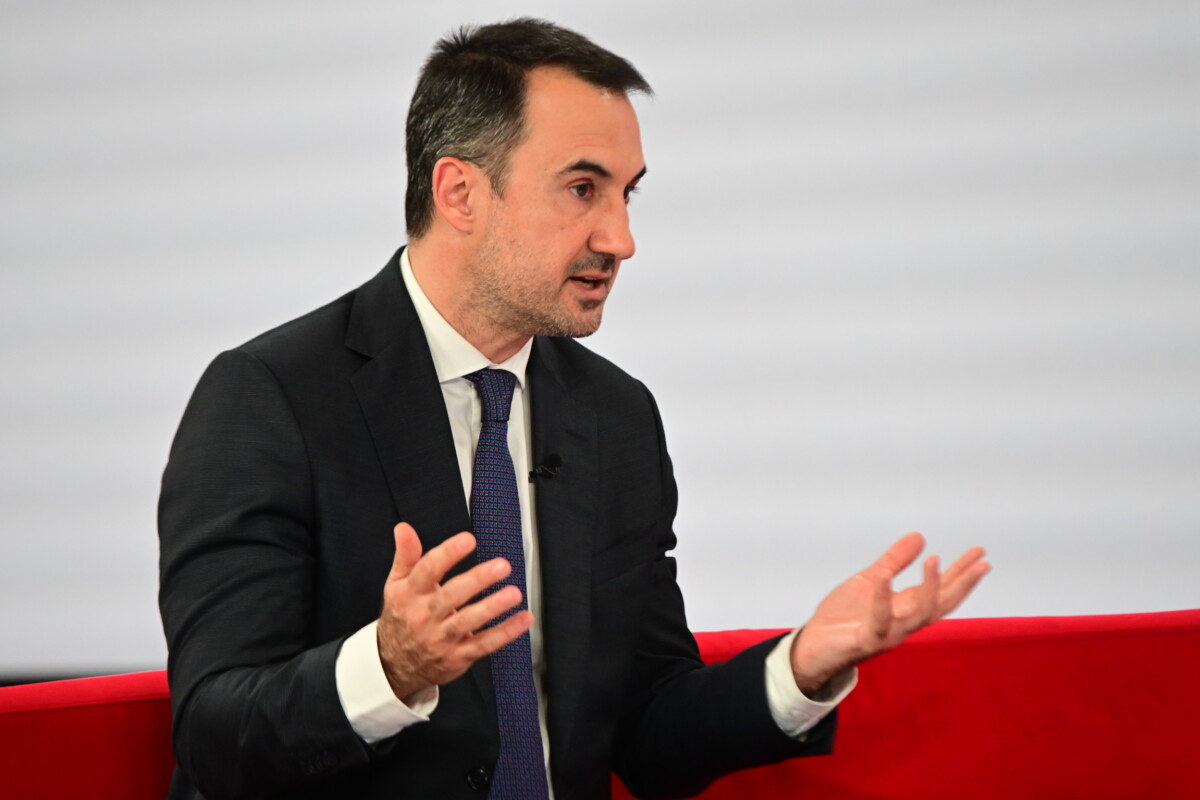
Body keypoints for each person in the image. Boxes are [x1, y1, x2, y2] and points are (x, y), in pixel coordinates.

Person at [158, 18, 989, 800]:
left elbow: (650, 729)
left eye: (628, 194)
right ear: (459, 193)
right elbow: (213, 734)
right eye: (583, 189)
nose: (621, 239)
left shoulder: (615, 417)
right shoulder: (271, 397)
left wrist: (799, 667)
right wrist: (388, 668)